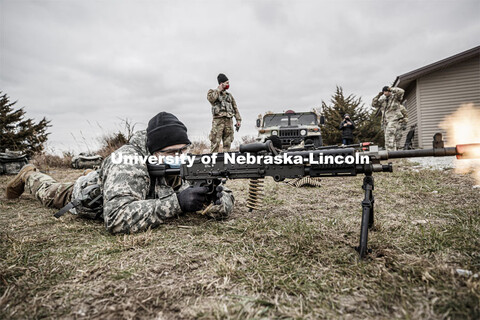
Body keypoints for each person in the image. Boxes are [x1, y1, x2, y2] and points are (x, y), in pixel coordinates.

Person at [5, 112, 235, 234]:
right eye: (171, 152)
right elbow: (115, 218)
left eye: (183, 150)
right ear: (153, 151)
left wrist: (215, 196)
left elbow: (219, 200)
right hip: (85, 197)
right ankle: (29, 174)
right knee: (48, 191)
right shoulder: (127, 161)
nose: (179, 157)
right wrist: (177, 204)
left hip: (121, 183)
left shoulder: (171, 161)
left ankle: (96, 173)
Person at [207, 73, 242, 153]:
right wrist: (218, 90)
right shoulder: (212, 92)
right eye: (227, 83)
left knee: (227, 143)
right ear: (221, 83)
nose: (228, 85)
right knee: (215, 142)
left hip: (228, 122)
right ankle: (213, 161)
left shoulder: (229, 96)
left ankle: (226, 161)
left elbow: (235, 108)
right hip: (218, 122)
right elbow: (211, 99)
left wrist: (238, 120)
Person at [372, 86, 408, 151]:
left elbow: (401, 91)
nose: (385, 93)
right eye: (384, 92)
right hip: (385, 122)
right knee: (389, 138)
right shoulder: (383, 100)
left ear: (389, 91)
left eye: (386, 91)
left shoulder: (395, 97)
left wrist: (390, 89)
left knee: (389, 136)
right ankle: (394, 153)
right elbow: (374, 104)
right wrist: (378, 95)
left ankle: (391, 154)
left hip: (394, 120)